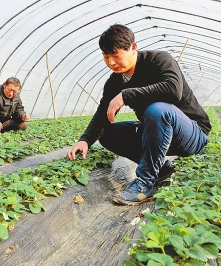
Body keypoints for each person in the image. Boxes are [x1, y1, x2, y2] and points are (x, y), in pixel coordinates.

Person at [67, 24, 211, 206]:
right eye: (106, 57)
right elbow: (103, 113)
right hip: (157, 136)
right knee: (107, 133)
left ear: (133, 48)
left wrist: (126, 95)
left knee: (157, 110)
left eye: (116, 55)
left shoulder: (159, 60)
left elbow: (174, 90)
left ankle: (145, 183)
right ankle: (161, 170)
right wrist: (85, 140)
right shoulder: (114, 82)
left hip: (191, 134)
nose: (111, 62)